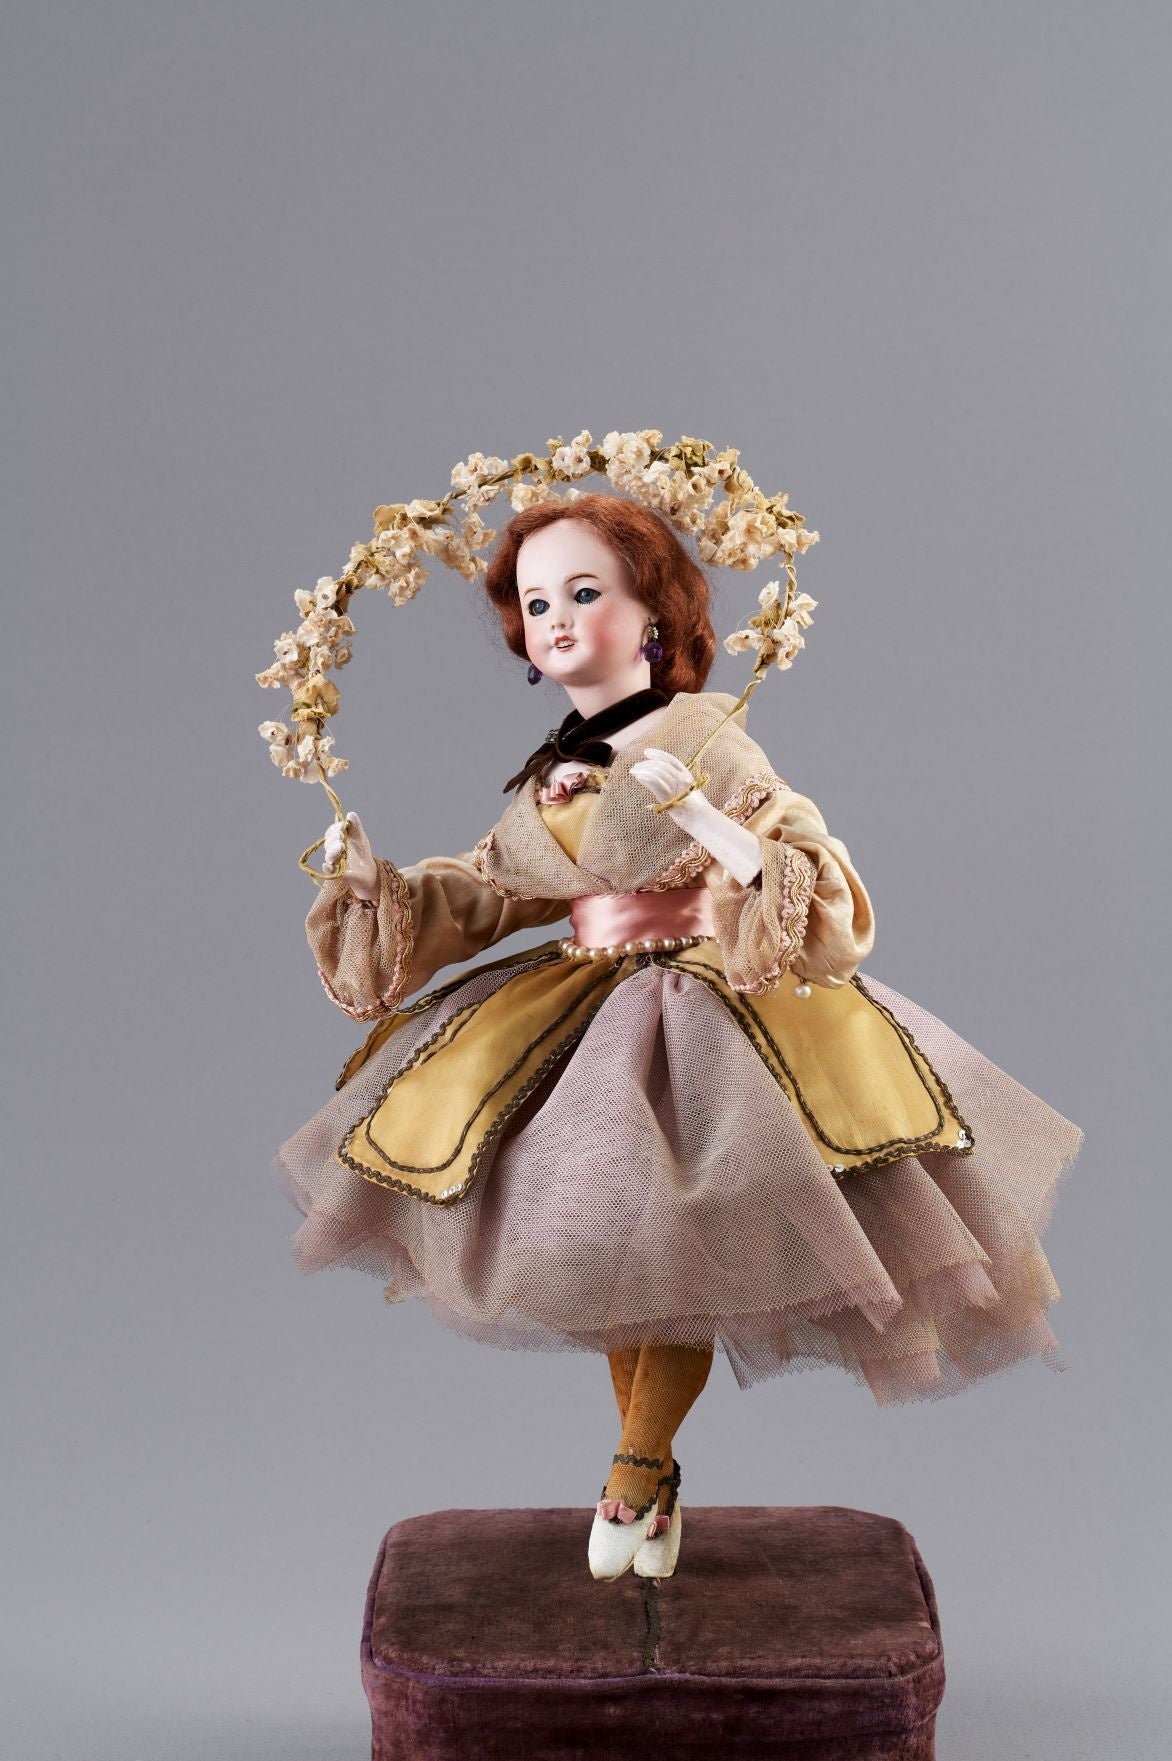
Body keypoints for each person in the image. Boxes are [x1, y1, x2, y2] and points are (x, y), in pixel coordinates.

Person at [273, 492, 1083, 1582]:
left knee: (687, 1235)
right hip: (586, 1012)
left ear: (653, 609)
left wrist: (704, 819)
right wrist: (380, 888)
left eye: (585, 592)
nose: (558, 619)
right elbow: (496, 889)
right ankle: (649, 1485)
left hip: (710, 1011)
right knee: (620, 1245)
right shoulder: (554, 765)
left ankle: (637, 1465)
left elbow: (810, 865)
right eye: (536, 602)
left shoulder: (701, 733)